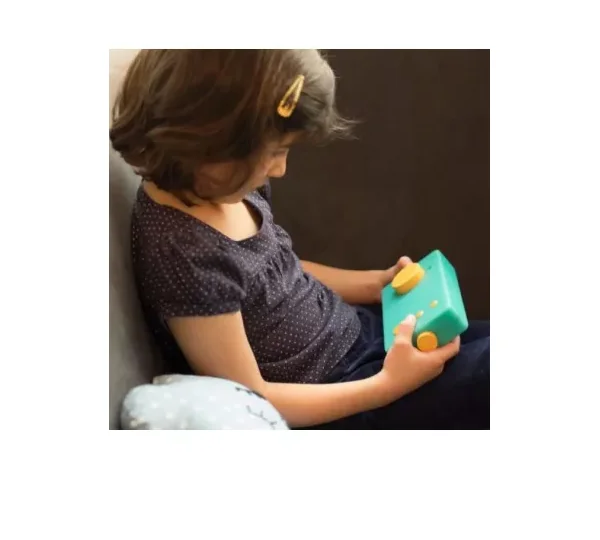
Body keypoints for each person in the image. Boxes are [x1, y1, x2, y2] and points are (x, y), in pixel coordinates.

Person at [109, 49, 489, 430]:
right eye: (275, 152)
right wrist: (387, 385)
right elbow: (252, 395)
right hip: (343, 395)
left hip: (361, 334)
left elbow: (281, 274)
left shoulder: (229, 188)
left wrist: (376, 284)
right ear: (211, 139)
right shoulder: (184, 253)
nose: (281, 168)